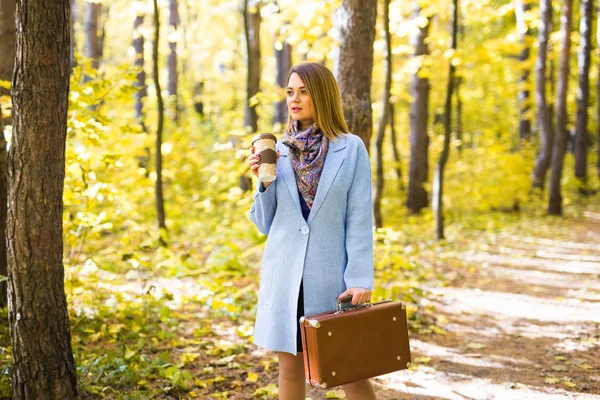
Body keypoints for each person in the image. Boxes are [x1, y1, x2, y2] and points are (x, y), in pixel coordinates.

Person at [247, 62, 377, 400]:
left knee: (351, 369)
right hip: (285, 278)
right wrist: (263, 180)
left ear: (322, 95)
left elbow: (359, 218)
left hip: (331, 279)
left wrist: (360, 277)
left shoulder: (350, 149)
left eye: (304, 91)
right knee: (290, 370)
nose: (295, 99)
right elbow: (264, 224)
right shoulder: (279, 152)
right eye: (290, 92)